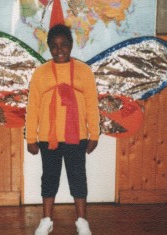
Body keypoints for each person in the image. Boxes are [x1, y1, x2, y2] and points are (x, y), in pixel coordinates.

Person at [26, 24, 99, 235]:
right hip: (49, 138)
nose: (59, 50)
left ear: (71, 45)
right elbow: (33, 108)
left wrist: (94, 134)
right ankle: (46, 219)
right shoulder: (41, 73)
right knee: (49, 178)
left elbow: (92, 106)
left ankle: (82, 221)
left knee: (78, 177)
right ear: (48, 47)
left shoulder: (84, 72)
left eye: (64, 45)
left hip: (78, 137)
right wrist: (31, 137)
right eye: (54, 46)